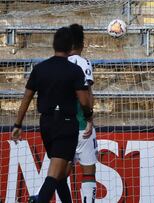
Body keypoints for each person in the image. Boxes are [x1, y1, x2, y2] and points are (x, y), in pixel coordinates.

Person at [11, 27, 93, 203]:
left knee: (61, 172)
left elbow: (26, 98)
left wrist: (18, 124)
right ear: (70, 46)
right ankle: (39, 200)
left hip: (46, 124)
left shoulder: (40, 68)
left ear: (53, 45)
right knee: (56, 173)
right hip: (66, 124)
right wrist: (88, 116)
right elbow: (84, 100)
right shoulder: (74, 71)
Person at [67, 23, 97, 202]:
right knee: (89, 170)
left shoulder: (58, 63)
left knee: (60, 170)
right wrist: (89, 119)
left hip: (61, 125)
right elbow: (86, 94)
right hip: (80, 124)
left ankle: (43, 195)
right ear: (82, 44)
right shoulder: (83, 63)